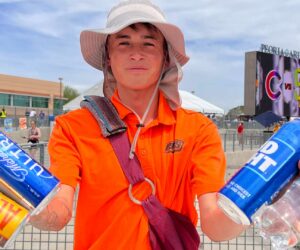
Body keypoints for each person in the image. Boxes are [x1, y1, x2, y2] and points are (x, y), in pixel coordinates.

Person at [30, 1, 247, 249]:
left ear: (165, 58)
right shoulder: (72, 127)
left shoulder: (197, 130)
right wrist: (24, 201)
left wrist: (259, 193)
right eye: (123, 43)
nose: (136, 53)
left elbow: (216, 225)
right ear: (108, 58)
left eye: (148, 43)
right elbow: (58, 211)